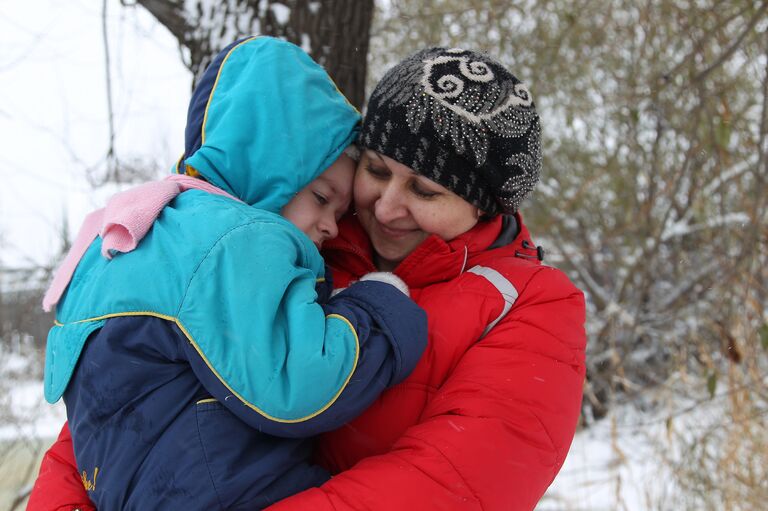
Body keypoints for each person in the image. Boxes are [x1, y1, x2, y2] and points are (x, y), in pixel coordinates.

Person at [29, 46, 586, 511]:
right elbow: (112, 413)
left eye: (425, 191)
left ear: (482, 205)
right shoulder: (302, 240)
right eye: (376, 170)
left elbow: (453, 483)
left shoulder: (532, 305)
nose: (387, 206)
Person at [31, 36, 427, 510]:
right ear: (267, 167)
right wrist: (379, 309)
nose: (328, 226)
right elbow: (298, 383)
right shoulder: (232, 239)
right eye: (321, 198)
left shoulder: (141, 225)